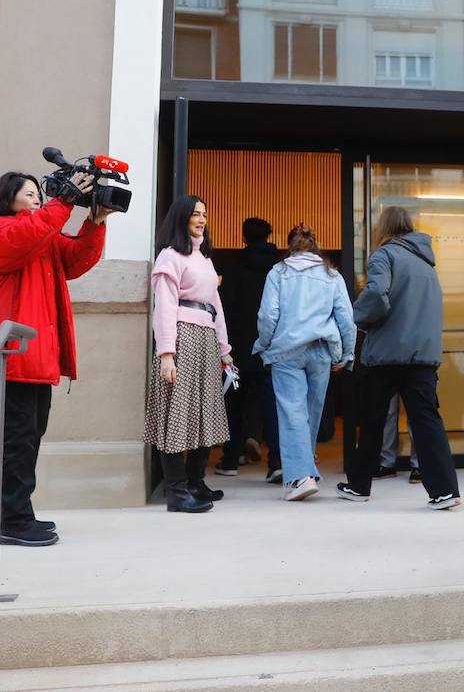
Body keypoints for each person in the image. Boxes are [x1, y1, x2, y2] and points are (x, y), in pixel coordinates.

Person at [0, 168, 111, 547]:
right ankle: (10, 519)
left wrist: (95, 221)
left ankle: (17, 514)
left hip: (36, 357)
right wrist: (63, 201)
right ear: (8, 197)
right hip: (11, 356)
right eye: (29, 193)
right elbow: (28, 234)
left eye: (40, 193)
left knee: (29, 438)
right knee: (16, 441)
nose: (37, 198)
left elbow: (77, 260)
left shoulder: (43, 234)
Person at [336, 207, 461, 510]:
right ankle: (445, 491)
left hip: (388, 355)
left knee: (372, 421)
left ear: (384, 227)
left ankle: (359, 486)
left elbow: (377, 295)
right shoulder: (427, 263)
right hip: (423, 355)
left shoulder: (384, 256)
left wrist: (359, 318)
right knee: (427, 421)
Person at [253, 223, 355, 501]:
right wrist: (347, 354)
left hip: (286, 351)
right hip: (322, 351)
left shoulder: (279, 273)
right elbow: (346, 318)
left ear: (290, 247)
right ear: (315, 246)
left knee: (292, 412)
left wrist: (263, 345)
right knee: (311, 412)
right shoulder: (332, 275)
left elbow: (268, 315)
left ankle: (301, 476)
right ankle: (305, 470)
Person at [143, 195, 232, 514]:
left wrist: (225, 350)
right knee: (176, 413)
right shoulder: (170, 256)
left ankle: (195, 481)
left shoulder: (204, 257)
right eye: (195, 214)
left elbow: (215, 305)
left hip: (206, 338)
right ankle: (177, 491)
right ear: (181, 218)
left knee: (205, 411)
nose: (201, 219)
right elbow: (164, 305)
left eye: (205, 214)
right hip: (181, 337)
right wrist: (166, 352)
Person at [215, 217, 283, 483]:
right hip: (270, 346)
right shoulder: (278, 268)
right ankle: (276, 462)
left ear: (243, 237)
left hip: (238, 347)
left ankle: (231, 459)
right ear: (269, 236)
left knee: (234, 405)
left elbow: (225, 307)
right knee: (273, 405)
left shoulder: (233, 267)